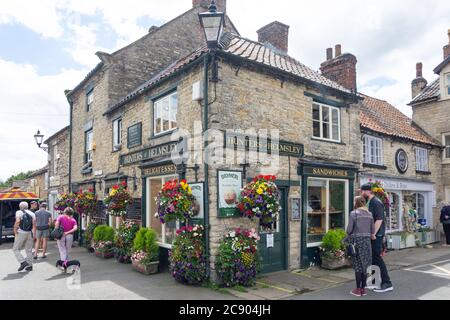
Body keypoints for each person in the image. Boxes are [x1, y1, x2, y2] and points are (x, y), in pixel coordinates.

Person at [361, 183, 394, 293]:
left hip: (377, 235)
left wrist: (373, 233)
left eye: (363, 191)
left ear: (368, 191)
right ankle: (373, 281)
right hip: (372, 235)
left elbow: (379, 219)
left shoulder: (377, 202)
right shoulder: (369, 202)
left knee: (377, 258)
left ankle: (387, 283)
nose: (362, 193)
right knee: (372, 258)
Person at [346, 196, 375, 297]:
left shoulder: (354, 213)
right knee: (365, 265)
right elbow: (372, 231)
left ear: (356, 203)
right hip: (367, 242)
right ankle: (363, 289)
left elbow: (349, 230)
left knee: (358, 266)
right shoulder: (370, 214)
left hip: (357, 242)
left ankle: (358, 290)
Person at [12, 202, 36, 272]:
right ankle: (30, 265)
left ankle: (22, 262)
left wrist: (15, 229)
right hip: (30, 233)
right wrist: (34, 234)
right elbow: (34, 225)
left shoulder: (19, 212)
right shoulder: (32, 213)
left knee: (15, 249)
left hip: (21, 232)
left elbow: (18, 221)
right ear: (27, 206)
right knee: (28, 250)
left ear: (20, 207)